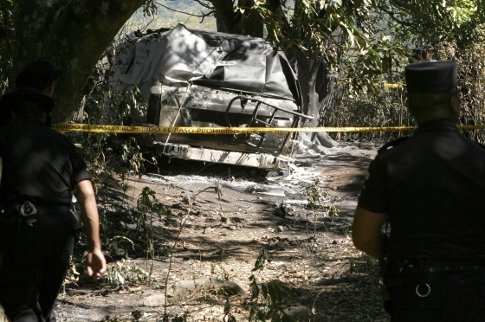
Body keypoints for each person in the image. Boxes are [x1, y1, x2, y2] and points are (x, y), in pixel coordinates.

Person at [352, 60, 485, 321]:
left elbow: (364, 237)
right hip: (474, 295)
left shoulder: (389, 162)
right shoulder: (480, 160)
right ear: (455, 103)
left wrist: (400, 255)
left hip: (415, 295)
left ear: (409, 107)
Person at [0, 60, 107, 321]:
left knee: (22, 309)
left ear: (13, 113)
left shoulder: (3, 136)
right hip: (63, 229)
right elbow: (87, 194)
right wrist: (95, 247)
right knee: (41, 310)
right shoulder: (63, 144)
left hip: (23, 223)